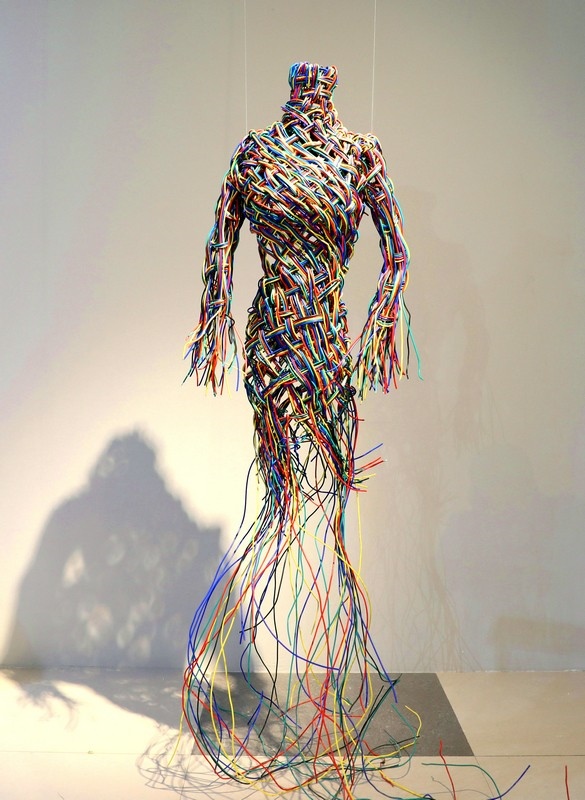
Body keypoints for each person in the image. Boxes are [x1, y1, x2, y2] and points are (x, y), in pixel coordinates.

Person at [182, 62, 416, 798]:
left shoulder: (356, 154)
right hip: (280, 343)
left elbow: (398, 255)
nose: (313, 101)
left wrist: (380, 325)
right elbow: (219, 247)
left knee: (326, 512)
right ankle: (294, 686)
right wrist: (215, 321)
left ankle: (325, 687)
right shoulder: (258, 154)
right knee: (287, 506)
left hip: (324, 347)